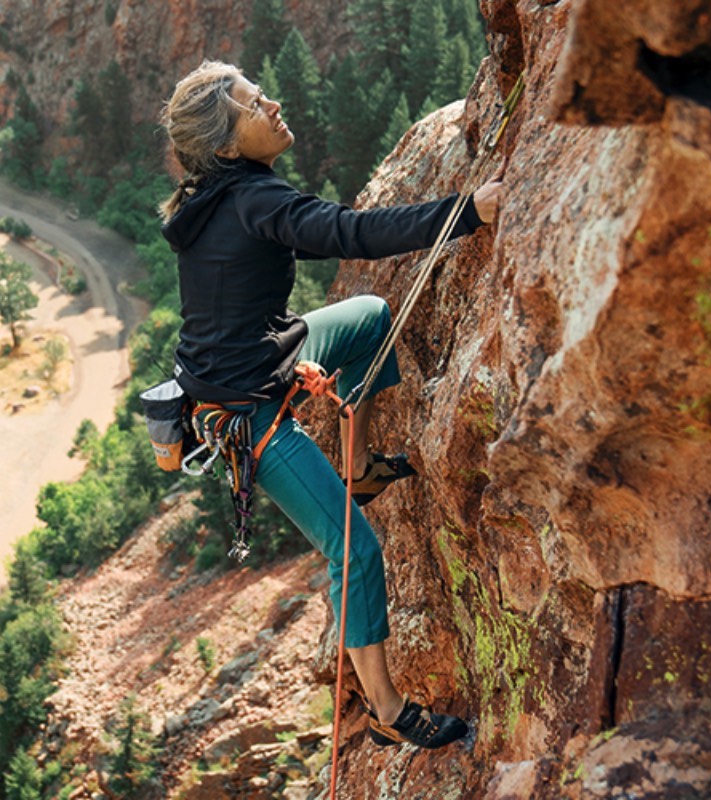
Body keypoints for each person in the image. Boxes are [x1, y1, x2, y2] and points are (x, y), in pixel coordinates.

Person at [159, 60, 503, 749]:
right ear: (228, 144)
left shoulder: (220, 193)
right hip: (245, 412)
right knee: (355, 550)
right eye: (256, 103)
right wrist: (469, 212)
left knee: (371, 317)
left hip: (258, 362)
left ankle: (361, 464)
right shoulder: (256, 202)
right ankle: (386, 707)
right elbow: (351, 233)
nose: (275, 104)